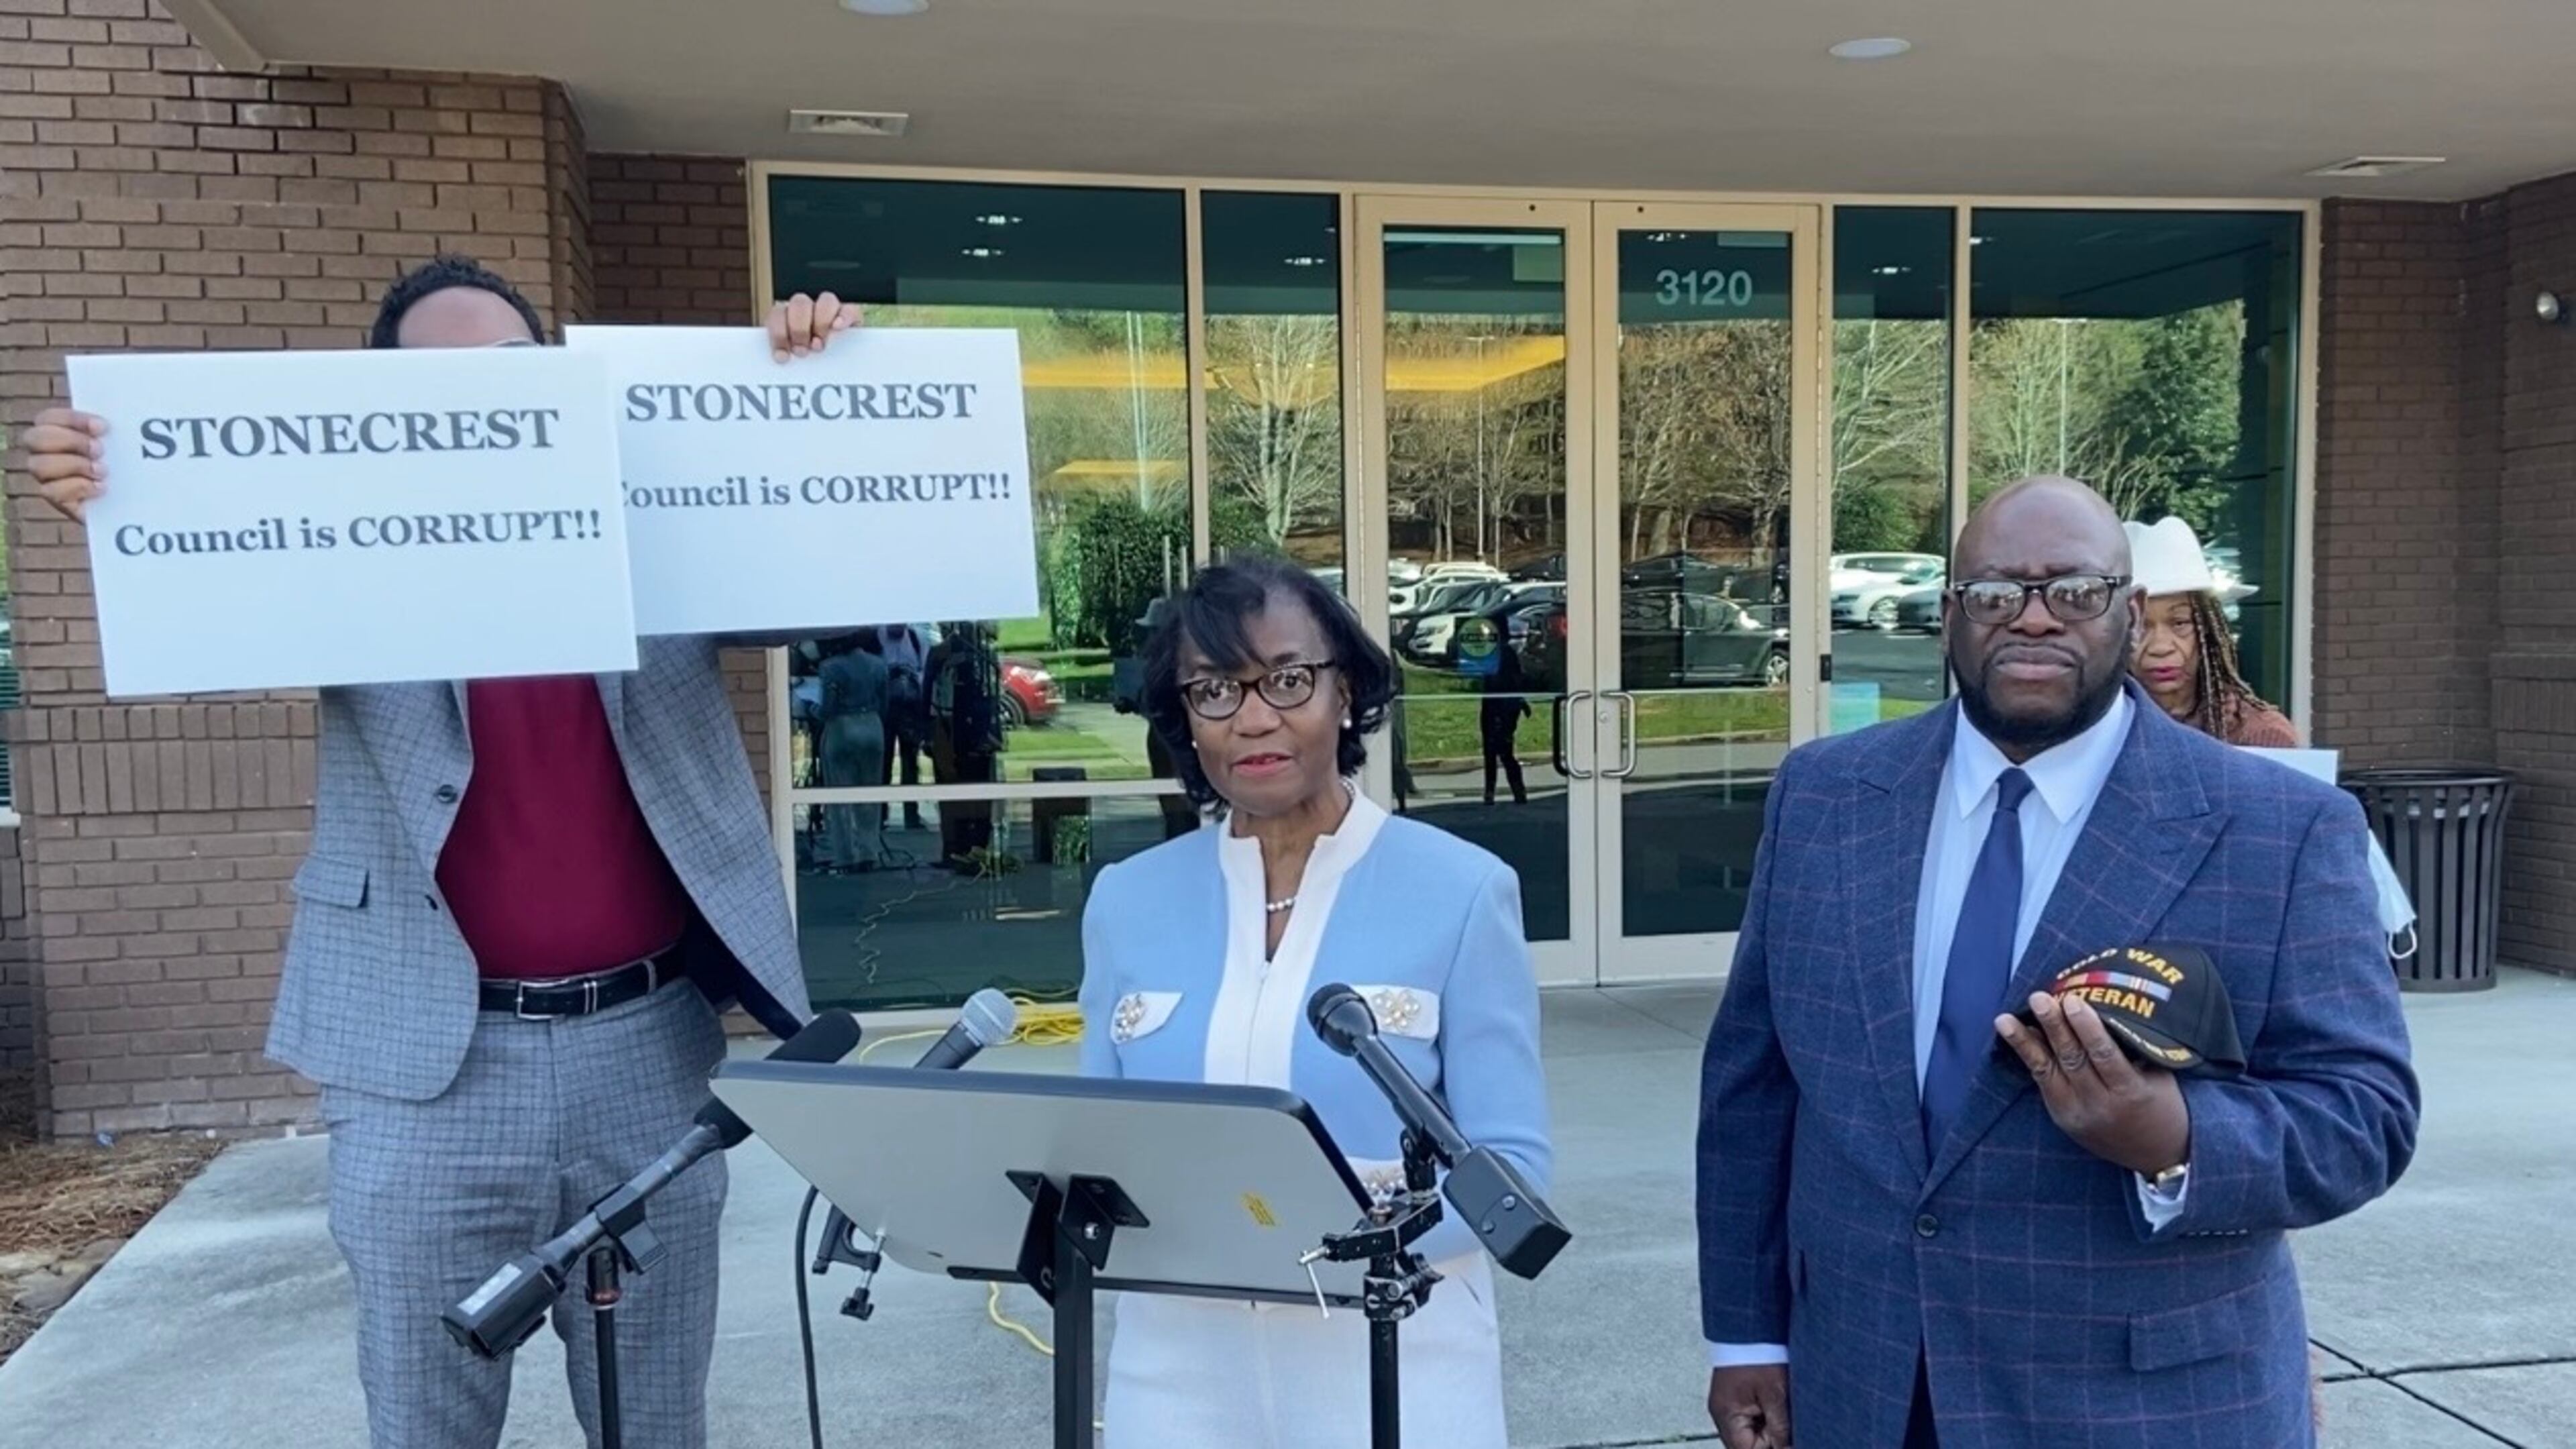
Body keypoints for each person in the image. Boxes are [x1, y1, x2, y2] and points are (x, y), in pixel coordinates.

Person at [20, 258, 861, 1449]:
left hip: (646, 1050)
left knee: (658, 1423)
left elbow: (833, 577)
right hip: (423, 1066)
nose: (481, 404)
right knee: (427, 1423)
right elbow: (191, 616)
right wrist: (108, 495)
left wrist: (805, 385)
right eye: (437, 383)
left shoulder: (654, 519)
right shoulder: (332, 540)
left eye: (511, 375)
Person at [1697, 476, 2418, 1449]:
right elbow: (1754, 1089)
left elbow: (2363, 1116)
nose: (2033, 621)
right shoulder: (1826, 798)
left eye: (2074, 592)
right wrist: (1747, 1336)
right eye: (1996, 594)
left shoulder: (2279, 829)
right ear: (1949, 615)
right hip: (1864, 1378)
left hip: (2143, 1402)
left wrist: (2177, 1138)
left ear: (2129, 612)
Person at [1077, 555, 1550, 1448]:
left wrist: (1324, 1246)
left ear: (1346, 692)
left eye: (1289, 680)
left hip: (1398, 1356)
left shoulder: (1460, 889)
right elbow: (1099, 1148)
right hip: (1175, 1364)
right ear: (1183, 717)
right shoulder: (1126, 900)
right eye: (1215, 689)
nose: (1255, 718)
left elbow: (1513, 1165)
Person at [2125, 515, 2297, 746]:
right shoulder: (2095, 735)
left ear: (2208, 633)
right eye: (2139, 625)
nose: (2161, 647)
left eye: (2180, 623)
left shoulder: (2263, 735)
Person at [816, 632, 893, 871]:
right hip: (872, 725)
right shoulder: (879, 665)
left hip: (843, 727)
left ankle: (845, 854)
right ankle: (869, 851)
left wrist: (812, 709)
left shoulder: (830, 667)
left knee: (839, 795)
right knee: (870, 791)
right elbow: (886, 704)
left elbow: (828, 708)